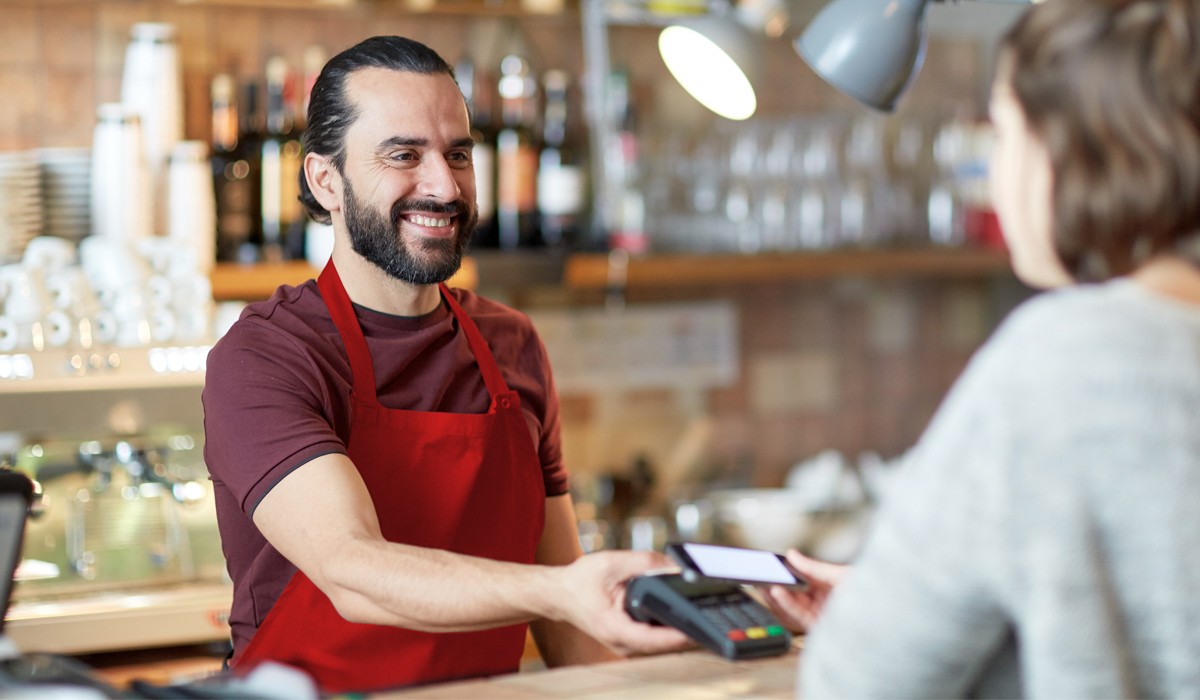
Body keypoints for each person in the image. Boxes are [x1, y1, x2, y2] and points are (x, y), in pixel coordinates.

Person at [201, 35, 688, 694]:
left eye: (458, 154)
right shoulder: (267, 356)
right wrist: (562, 590)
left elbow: (571, 632)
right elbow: (352, 571)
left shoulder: (511, 345)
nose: (443, 185)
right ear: (326, 180)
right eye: (404, 155)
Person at [763, 0, 1200, 696]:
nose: (994, 170)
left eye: (1002, 129)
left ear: (1069, 147)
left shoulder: (1057, 360)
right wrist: (917, 603)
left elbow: (859, 682)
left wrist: (877, 622)